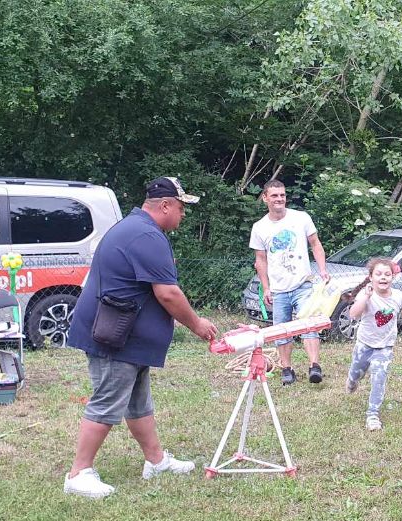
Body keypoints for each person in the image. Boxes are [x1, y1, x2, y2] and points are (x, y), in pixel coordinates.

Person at [62, 176, 219, 499]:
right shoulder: (146, 235)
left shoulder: (138, 229)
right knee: (107, 402)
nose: (183, 214)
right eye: (181, 207)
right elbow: (169, 295)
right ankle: (79, 473)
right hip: (114, 336)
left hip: (128, 336)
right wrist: (197, 325)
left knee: (137, 402)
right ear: (165, 206)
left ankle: (156, 460)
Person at [249, 179, 331, 386]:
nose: (279, 199)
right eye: (274, 195)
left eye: (282, 195)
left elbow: (315, 244)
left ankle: (315, 367)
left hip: (303, 283)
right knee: (281, 331)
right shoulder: (259, 227)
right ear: (265, 198)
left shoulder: (301, 218)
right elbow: (260, 260)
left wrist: (322, 270)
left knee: (309, 326)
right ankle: (287, 369)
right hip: (278, 289)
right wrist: (266, 288)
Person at [344, 258, 402, 431]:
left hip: (385, 347)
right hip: (364, 344)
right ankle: (352, 381)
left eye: (387, 274)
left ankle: (373, 415)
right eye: (378, 274)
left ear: (393, 277)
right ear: (371, 277)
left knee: (379, 378)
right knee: (356, 373)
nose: (383, 278)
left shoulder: (398, 296)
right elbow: (353, 314)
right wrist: (366, 297)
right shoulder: (366, 295)